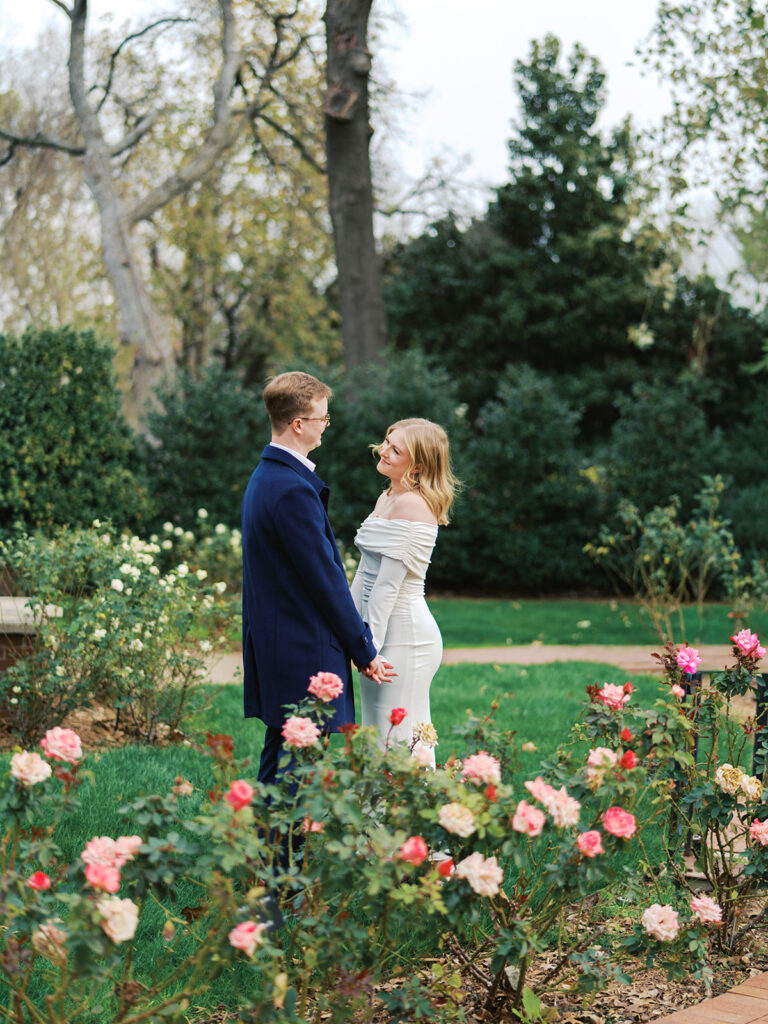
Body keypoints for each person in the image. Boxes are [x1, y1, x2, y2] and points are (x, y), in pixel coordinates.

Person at [241, 371, 394, 787]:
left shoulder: (266, 478)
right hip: (302, 651)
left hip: (280, 643)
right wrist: (364, 649)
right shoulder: (291, 489)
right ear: (298, 424)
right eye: (323, 419)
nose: (327, 426)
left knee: (281, 762)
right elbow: (326, 581)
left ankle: (270, 852)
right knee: (296, 775)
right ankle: (282, 854)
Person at [350, 418, 456, 766]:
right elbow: (365, 573)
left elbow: (387, 587)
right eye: (386, 441)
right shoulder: (388, 496)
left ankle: (405, 817)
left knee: (399, 737)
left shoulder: (412, 505)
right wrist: (349, 633)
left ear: (419, 465)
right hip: (379, 633)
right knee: (377, 733)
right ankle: (376, 818)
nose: (383, 450)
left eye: (396, 450)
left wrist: (369, 647)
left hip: (405, 638)